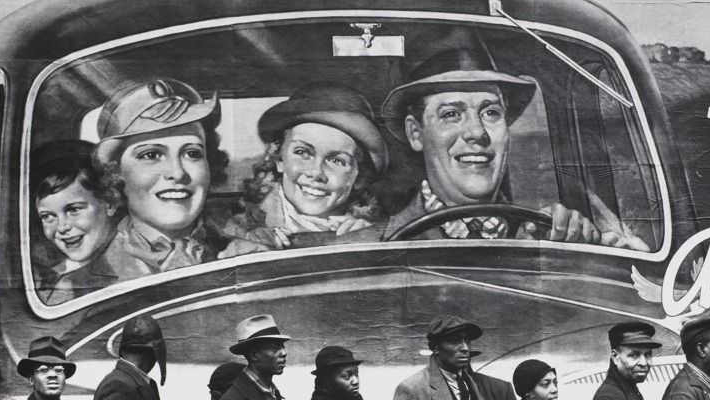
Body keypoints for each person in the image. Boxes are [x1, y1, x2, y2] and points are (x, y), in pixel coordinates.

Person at [378, 47, 647, 248]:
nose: (477, 132)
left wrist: (600, 258)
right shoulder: (366, 248)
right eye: (451, 114)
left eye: (491, 113)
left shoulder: (548, 241)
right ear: (416, 133)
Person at [92, 77, 238, 277]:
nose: (177, 173)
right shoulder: (77, 284)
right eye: (151, 155)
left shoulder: (253, 257)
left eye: (192, 154)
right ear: (116, 174)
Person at [223, 82, 388, 252]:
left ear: (358, 177)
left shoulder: (378, 233)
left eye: (337, 161)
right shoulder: (240, 231)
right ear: (279, 159)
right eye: (302, 152)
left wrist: (371, 241)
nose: (316, 172)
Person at [31, 141, 120, 304]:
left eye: (73, 210)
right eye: (47, 216)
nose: (62, 227)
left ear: (110, 203)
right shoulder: (50, 275)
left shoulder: (129, 266)